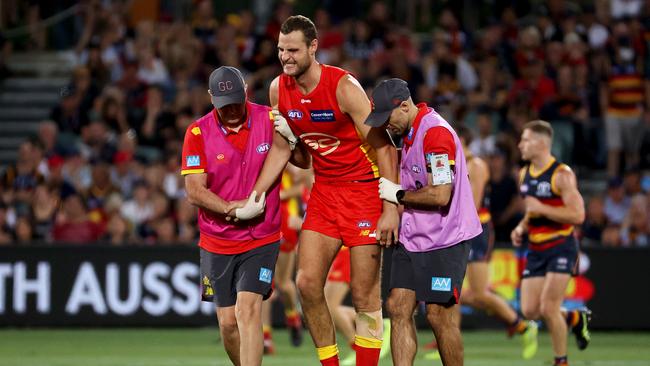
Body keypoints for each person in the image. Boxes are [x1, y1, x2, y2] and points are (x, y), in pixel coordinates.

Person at [230, 15, 399, 366]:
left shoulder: (343, 87)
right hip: (325, 192)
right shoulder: (279, 89)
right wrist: (256, 196)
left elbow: (385, 148)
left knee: (365, 295)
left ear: (313, 47)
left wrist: (390, 207)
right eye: (280, 50)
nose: (285, 57)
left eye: (292, 50)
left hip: (365, 193)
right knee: (306, 284)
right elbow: (287, 153)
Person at [365, 78, 481, 366]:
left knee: (439, 315)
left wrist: (398, 195)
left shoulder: (436, 134)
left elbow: (441, 195)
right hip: (413, 235)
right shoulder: (405, 131)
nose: (384, 125)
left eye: (386, 118)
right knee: (398, 305)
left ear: (404, 106)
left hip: (446, 237)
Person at [181, 66, 281, 366]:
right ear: (211, 99)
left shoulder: (269, 118)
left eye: (237, 101)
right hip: (217, 240)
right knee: (227, 323)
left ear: (246, 91)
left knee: (247, 310)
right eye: (225, 105)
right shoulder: (198, 132)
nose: (234, 110)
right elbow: (193, 191)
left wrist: (292, 139)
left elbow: (298, 159)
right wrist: (232, 208)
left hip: (262, 235)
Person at [511, 120, 592, 366]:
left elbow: (578, 215)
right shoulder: (524, 173)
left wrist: (541, 208)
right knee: (529, 310)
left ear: (541, 143)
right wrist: (522, 226)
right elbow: (533, 210)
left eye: (525, 139)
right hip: (536, 248)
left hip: (561, 245)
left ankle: (561, 361)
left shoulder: (562, 175)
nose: (520, 145)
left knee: (548, 307)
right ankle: (576, 319)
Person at [456, 125, 538, 359]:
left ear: (461, 138)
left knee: (478, 294)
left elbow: (473, 201)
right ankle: (450, 338)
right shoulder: (460, 163)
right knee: (454, 292)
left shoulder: (477, 165)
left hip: (477, 229)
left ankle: (520, 324)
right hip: (463, 229)